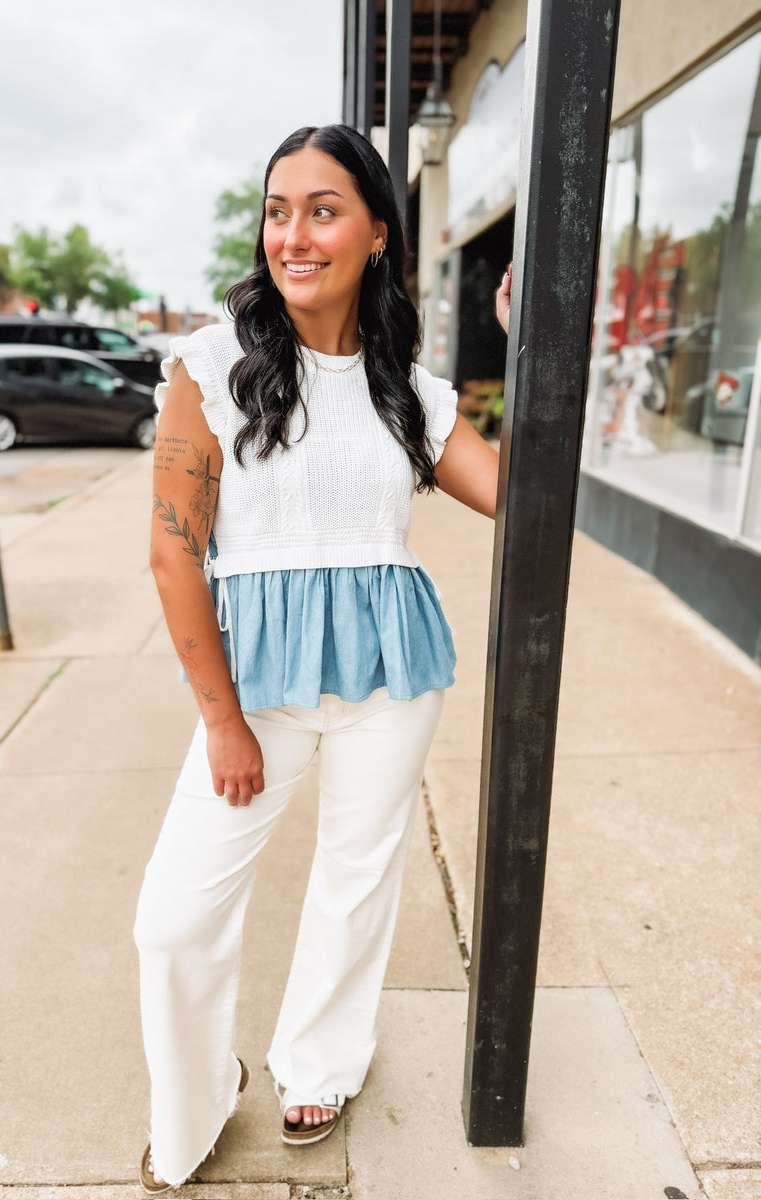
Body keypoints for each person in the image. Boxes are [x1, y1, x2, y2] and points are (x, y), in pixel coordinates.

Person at [134, 123, 511, 1193]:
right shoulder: (214, 367)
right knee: (174, 918)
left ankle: (320, 1063)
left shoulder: (408, 390)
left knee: (357, 879)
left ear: (377, 233)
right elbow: (172, 557)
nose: (293, 234)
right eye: (278, 210)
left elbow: (524, 502)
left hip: (391, 676)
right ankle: (197, 1099)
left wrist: (526, 347)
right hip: (254, 692)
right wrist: (221, 719)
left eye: (324, 208)